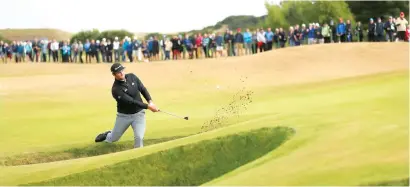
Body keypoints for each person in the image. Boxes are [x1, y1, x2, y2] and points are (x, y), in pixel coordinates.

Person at [95, 63, 159, 148]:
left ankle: (138, 155)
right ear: (114, 75)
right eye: (118, 72)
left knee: (139, 137)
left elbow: (142, 89)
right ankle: (107, 135)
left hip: (138, 114)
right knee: (114, 138)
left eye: (122, 70)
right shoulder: (116, 89)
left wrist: (150, 101)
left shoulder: (132, 76)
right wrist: (148, 107)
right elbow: (131, 101)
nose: (121, 73)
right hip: (123, 116)